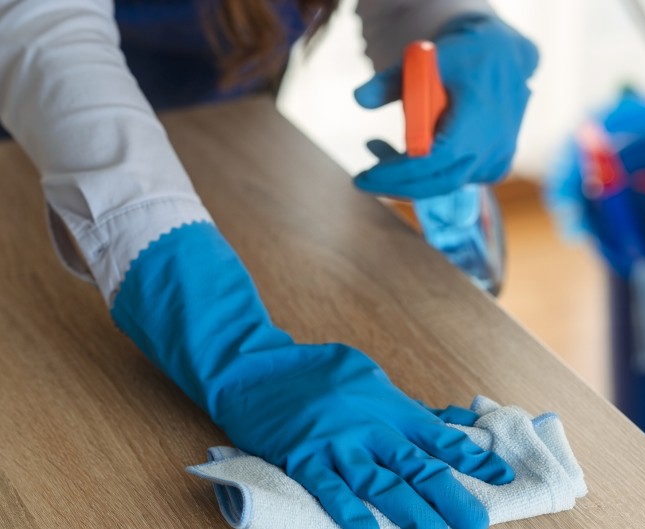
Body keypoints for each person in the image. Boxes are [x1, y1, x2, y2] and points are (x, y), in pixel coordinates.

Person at [0, 1, 539, 528]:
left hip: (227, 147)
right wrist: (233, 342)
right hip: (27, 153)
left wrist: (453, 23)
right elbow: (42, 28)